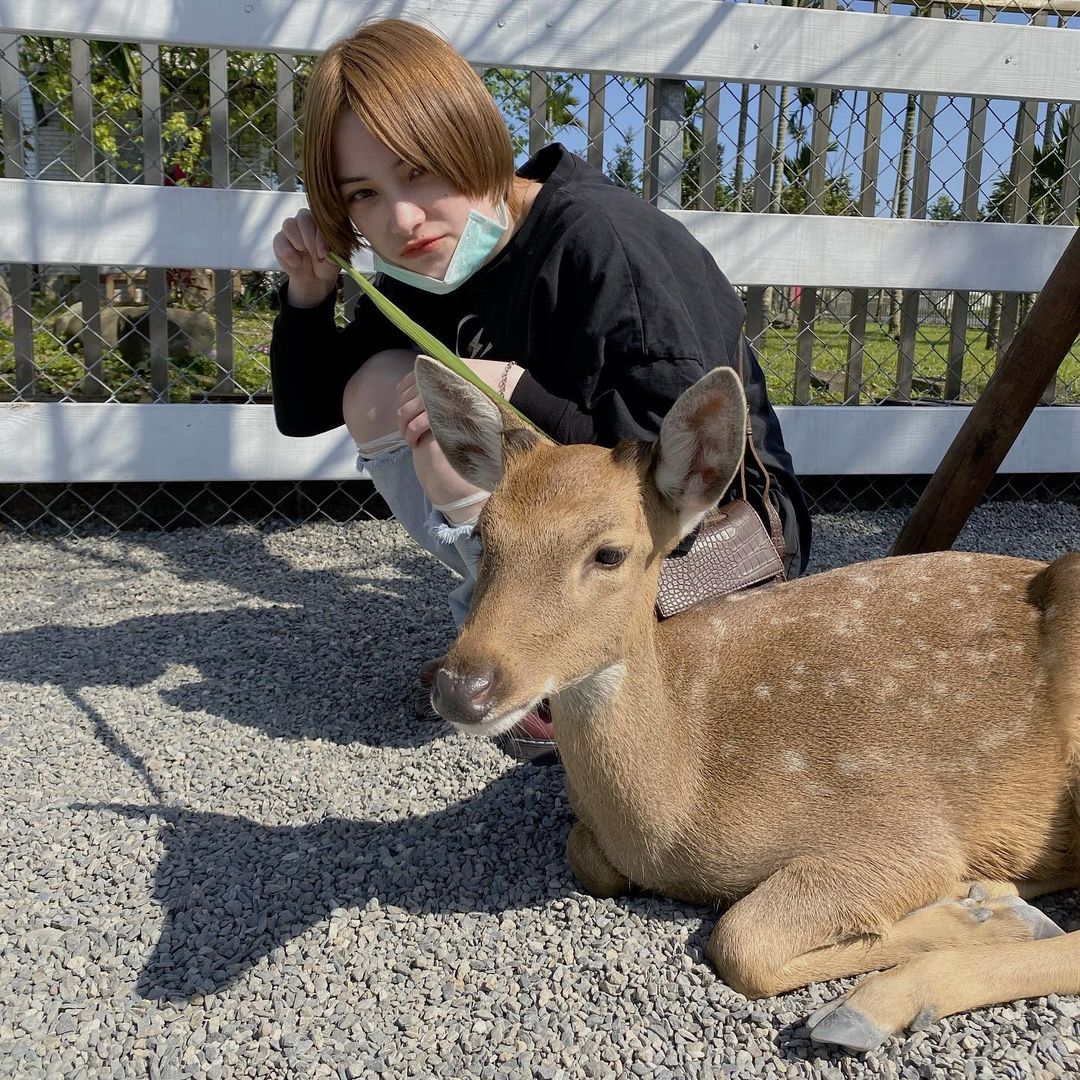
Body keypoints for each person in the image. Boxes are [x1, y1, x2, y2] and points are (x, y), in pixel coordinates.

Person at [269, 18, 812, 766]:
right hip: (573, 535)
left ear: (470, 136)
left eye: (419, 169)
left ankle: (532, 667)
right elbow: (305, 413)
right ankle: (504, 642)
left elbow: (682, 466)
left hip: (716, 543)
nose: (399, 218)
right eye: (363, 194)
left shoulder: (603, 243)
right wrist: (307, 294)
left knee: (449, 408)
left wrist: (517, 389)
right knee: (379, 386)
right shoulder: (434, 261)